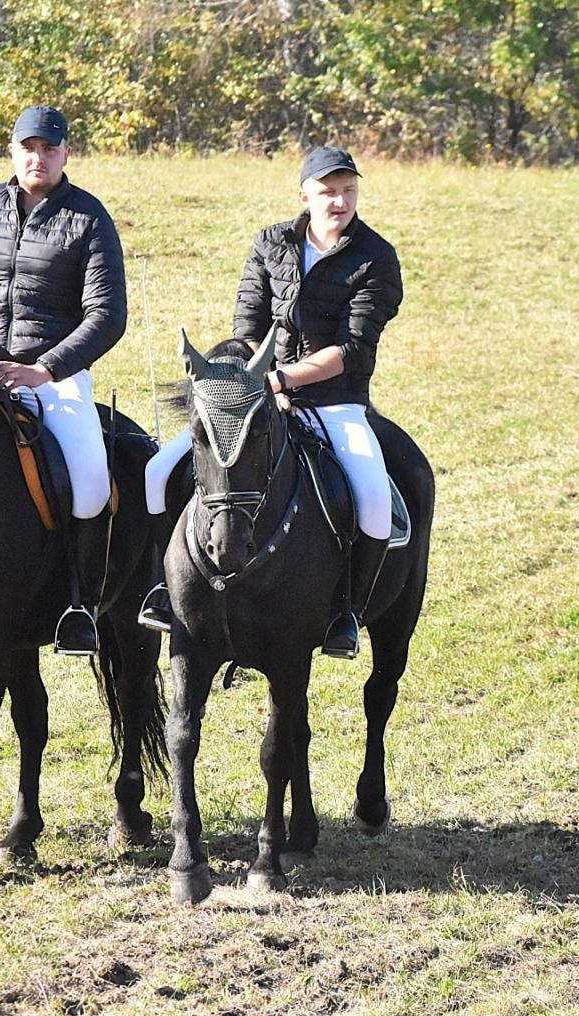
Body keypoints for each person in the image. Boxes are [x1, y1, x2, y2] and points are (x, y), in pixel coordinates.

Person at [141, 146, 404, 659]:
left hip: (334, 403)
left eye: (349, 190)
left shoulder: (376, 257)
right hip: (255, 398)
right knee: (156, 473)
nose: (340, 200)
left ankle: (345, 612)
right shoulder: (271, 243)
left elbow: (352, 349)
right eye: (328, 190)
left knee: (373, 502)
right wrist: (242, 388)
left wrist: (281, 381)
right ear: (305, 194)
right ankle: (162, 587)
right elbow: (246, 330)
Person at [0, 105, 128, 656]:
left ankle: (79, 605)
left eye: (49, 148)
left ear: (66, 154)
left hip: (51, 377)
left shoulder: (89, 218)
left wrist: (44, 369)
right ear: (12, 151)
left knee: (90, 479)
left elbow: (107, 315)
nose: (38, 158)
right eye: (28, 147)